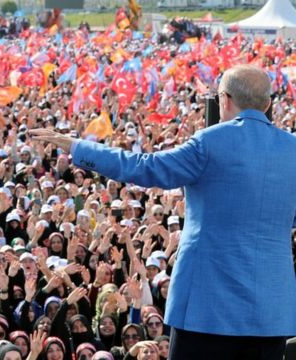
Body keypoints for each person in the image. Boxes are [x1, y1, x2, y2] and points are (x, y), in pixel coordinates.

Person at [30, 64, 296, 359]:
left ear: (225, 99)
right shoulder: (293, 149)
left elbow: (145, 167)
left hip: (207, 305)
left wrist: (79, 148)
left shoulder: (210, 141)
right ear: (268, 103)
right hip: (270, 310)